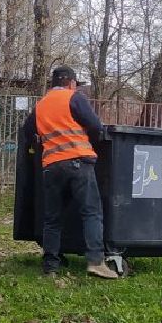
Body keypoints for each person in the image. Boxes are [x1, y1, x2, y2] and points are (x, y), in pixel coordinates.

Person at [21, 66, 120, 279]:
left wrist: (41, 141)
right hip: (77, 162)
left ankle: (51, 266)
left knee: (52, 219)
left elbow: (28, 131)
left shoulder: (41, 105)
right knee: (91, 212)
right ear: (72, 83)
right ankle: (95, 261)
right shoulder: (74, 98)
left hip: (51, 166)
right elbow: (96, 126)